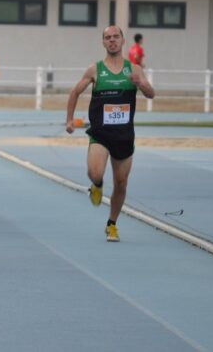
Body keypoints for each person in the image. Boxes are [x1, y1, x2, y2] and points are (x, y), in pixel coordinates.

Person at [65, 25, 155, 242]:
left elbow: (151, 94)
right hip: (101, 134)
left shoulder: (133, 70)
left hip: (124, 135)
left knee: (121, 183)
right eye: (107, 37)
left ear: (123, 41)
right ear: (103, 43)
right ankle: (96, 185)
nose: (112, 40)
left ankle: (112, 224)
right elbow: (75, 92)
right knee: (95, 172)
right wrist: (69, 119)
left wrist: (141, 83)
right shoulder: (95, 70)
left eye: (116, 37)